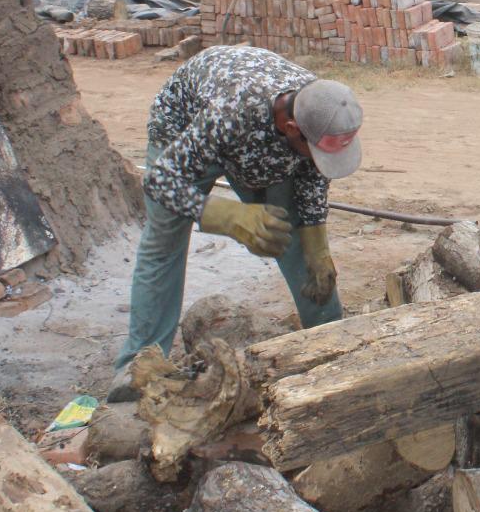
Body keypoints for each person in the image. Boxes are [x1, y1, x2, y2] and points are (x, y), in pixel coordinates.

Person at [110, 46, 363, 391]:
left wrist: (317, 245)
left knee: (290, 235)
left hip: (259, 144)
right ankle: (136, 369)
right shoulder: (231, 112)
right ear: (291, 128)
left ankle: (332, 344)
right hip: (185, 131)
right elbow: (159, 182)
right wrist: (226, 215)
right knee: (164, 241)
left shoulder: (319, 107)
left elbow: (313, 174)